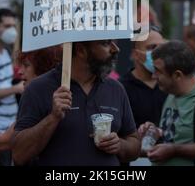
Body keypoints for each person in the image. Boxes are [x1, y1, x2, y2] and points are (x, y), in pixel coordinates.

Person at [12, 40, 140, 166]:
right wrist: (53, 117)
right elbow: (19, 155)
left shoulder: (115, 88)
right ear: (81, 50)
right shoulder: (38, 89)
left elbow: (134, 143)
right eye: (105, 43)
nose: (115, 49)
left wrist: (120, 145)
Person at [138, 40, 195, 166]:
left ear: (177, 75)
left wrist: (174, 150)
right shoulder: (172, 93)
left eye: (158, 71)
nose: (154, 76)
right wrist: (155, 133)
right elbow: (176, 134)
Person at [0, 8, 24, 165]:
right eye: (7, 26)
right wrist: (17, 89)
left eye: (14, 26)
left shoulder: (5, 51)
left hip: (9, 127)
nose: (12, 31)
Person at [120, 27, 167, 128]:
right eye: (152, 47)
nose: (159, 53)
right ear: (136, 54)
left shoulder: (171, 84)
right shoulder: (121, 88)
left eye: (162, 48)